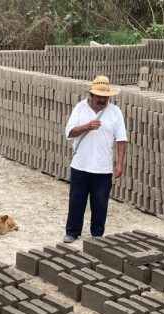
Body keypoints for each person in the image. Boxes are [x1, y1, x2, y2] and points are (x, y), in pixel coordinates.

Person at [63, 75, 127, 243]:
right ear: (91, 95)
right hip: (80, 165)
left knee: (100, 204)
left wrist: (120, 164)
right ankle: (72, 232)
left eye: (105, 97)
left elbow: (121, 139)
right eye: (99, 96)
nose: (102, 99)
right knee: (76, 201)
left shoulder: (115, 112)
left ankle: (97, 235)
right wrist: (87, 126)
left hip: (103, 168)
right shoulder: (80, 108)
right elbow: (69, 133)